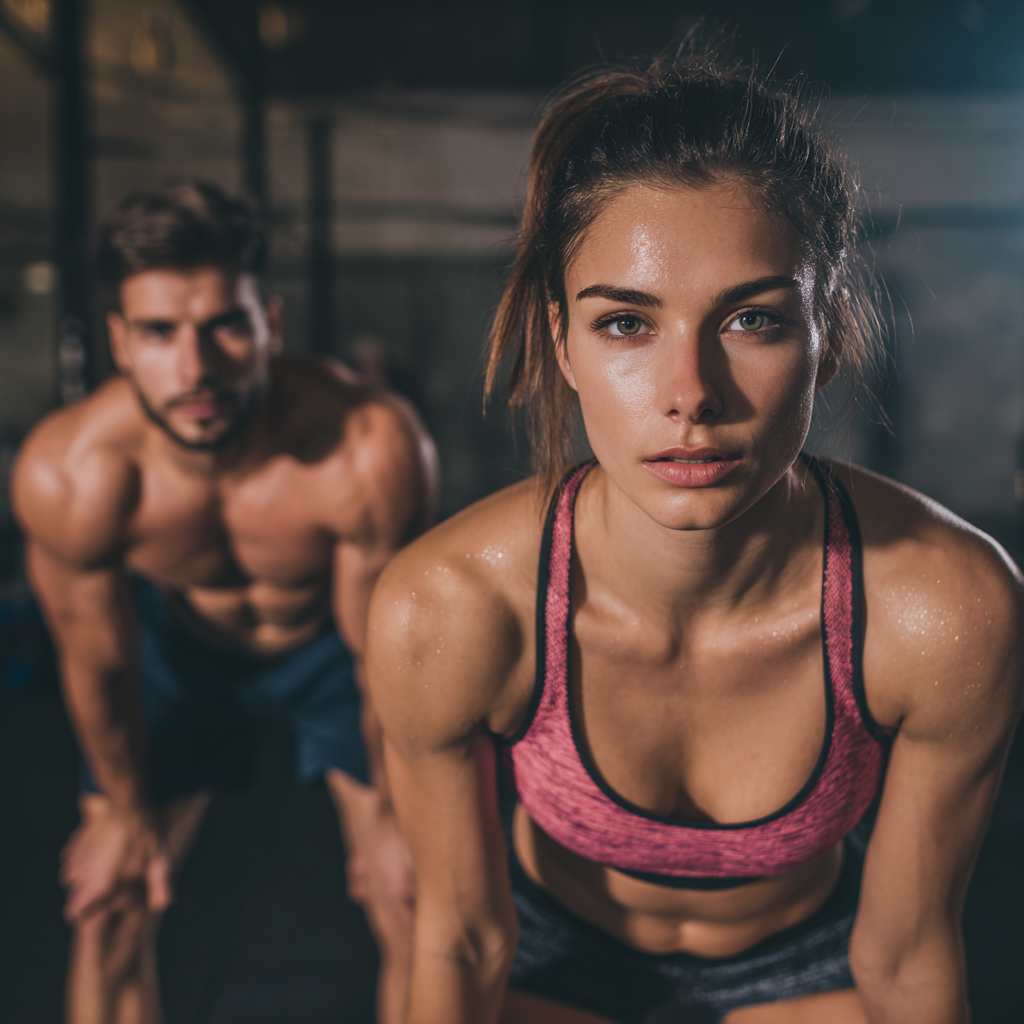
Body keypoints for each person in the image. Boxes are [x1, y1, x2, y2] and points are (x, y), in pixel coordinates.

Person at [365, 54, 1024, 1024]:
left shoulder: (943, 608)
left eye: (752, 319)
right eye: (626, 323)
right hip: (550, 964)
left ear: (826, 334)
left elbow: (910, 954)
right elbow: (463, 938)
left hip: (811, 968)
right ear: (561, 341)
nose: (690, 394)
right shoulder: (447, 606)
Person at [12, 180, 437, 1024]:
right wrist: (124, 815)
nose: (196, 368)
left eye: (225, 327)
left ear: (269, 325)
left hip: (330, 651)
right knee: (109, 908)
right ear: (120, 342)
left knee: (416, 900)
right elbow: (98, 662)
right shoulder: (73, 473)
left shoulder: (366, 446)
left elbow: (381, 654)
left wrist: (393, 813)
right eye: (161, 334)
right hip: (178, 651)